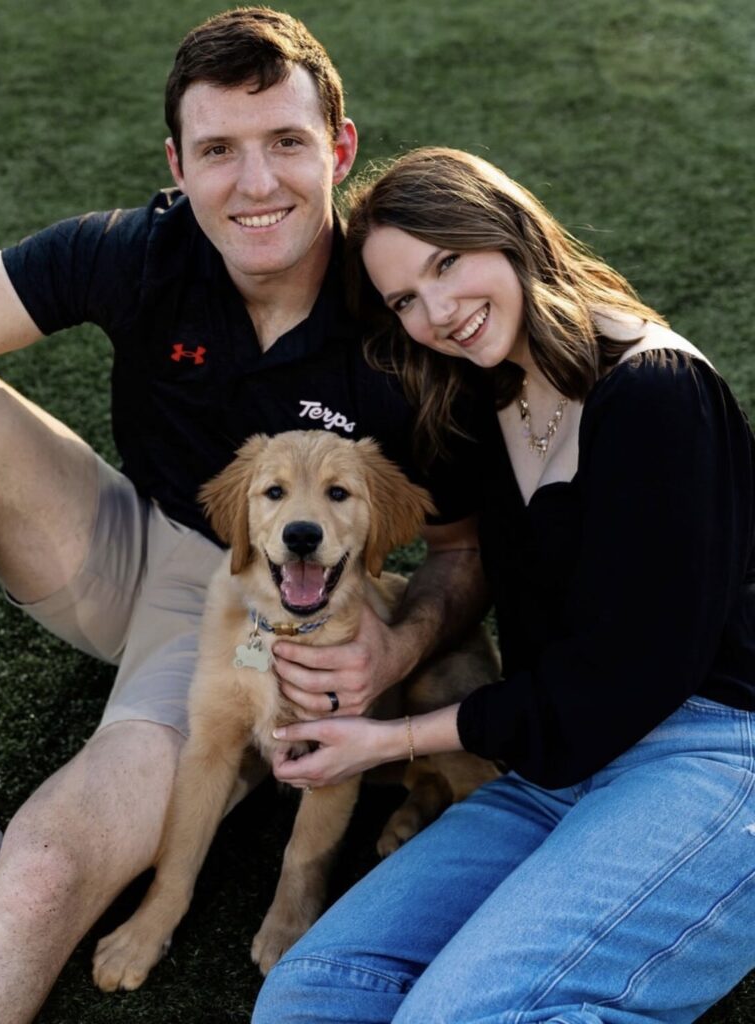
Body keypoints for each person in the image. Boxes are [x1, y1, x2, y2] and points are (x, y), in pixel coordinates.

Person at [0, 15, 488, 1021]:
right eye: (218, 151)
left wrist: (395, 649)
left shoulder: (406, 322)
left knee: (47, 871)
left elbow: (465, 551)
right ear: (178, 163)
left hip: (255, 618)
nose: (255, 185)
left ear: (340, 148)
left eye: (287, 142)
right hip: (134, 541)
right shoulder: (144, 251)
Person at [253, 147, 755, 1024]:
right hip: (555, 767)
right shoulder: (485, 401)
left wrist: (390, 739)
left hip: (709, 750)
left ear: (509, 231)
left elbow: (626, 676)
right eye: (405, 300)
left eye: (448, 263)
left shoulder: (655, 393)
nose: (438, 312)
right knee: (310, 992)